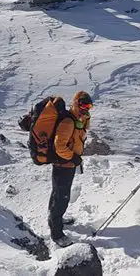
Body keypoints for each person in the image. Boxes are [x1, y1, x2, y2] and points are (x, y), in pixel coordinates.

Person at [48, 91, 92, 246]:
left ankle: (56, 218)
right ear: (76, 104)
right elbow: (59, 146)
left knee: (58, 194)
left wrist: (85, 118)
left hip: (68, 164)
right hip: (63, 165)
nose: (86, 108)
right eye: (83, 105)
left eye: (89, 106)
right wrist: (73, 157)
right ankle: (57, 234)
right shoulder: (68, 122)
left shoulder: (78, 119)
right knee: (61, 197)